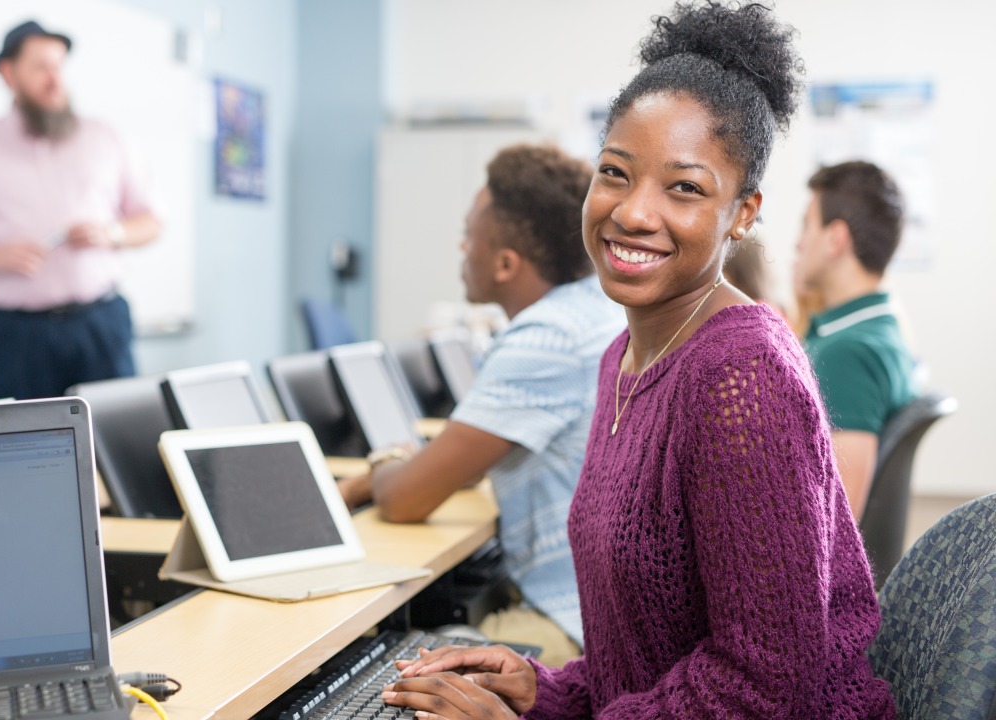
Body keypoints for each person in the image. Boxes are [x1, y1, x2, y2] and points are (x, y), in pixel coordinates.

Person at [381, 2, 897, 718]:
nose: (632, 212)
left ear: (744, 213)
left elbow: (763, 688)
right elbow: (653, 656)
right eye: (616, 173)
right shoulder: (625, 356)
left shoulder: (742, 373)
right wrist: (547, 690)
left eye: (683, 187)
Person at [339, 144, 625, 666]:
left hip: (573, 623)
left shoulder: (545, 339)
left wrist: (383, 466)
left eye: (470, 234)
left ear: (505, 264)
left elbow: (405, 500)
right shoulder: (592, 310)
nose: (461, 245)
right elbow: (468, 468)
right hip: (601, 607)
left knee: (399, 671)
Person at [0, 20, 162, 400]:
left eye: (58, 67)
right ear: (8, 72)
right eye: (40, 68)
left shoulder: (105, 137)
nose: (54, 80)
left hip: (100, 322)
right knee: (25, 449)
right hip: (17, 335)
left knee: (115, 443)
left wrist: (112, 233)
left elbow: (150, 222)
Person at [794, 161, 918, 520]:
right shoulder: (883, 329)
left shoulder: (847, 354)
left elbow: (836, 520)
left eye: (806, 225)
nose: (799, 243)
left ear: (836, 239)